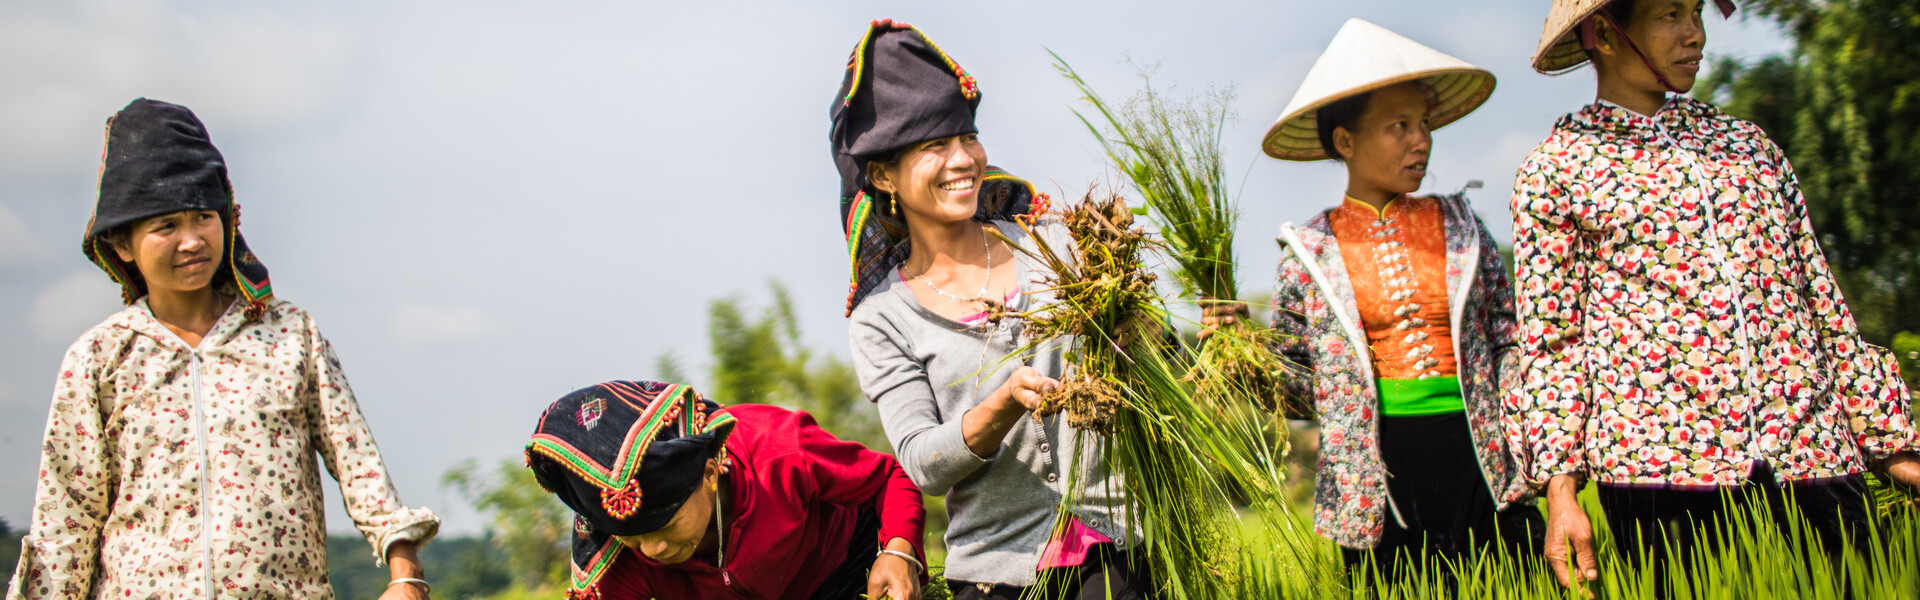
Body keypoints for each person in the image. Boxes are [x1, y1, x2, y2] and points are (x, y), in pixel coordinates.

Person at [1510, 0, 1920, 587]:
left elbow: (1823, 304)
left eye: (1697, 13)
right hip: (1661, 468)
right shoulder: (1558, 169)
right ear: (1604, 31)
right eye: (1670, 15)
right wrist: (1561, 492)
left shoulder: (1748, 147)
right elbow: (1553, 344)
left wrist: (1891, 443)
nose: (1694, 35)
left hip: (1809, 447)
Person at [6, 99, 440, 600]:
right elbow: (66, 521)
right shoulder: (101, 357)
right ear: (122, 244)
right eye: (166, 226)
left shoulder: (290, 335)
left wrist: (405, 574)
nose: (191, 240)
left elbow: (358, 463)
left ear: (227, 220)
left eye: (203, 217)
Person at [1205, 18, 1541, 583]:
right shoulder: (1309, 252)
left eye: (1425, 123)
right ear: (1346, 141)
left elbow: (1510, 340)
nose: (1421, 140)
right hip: (1378, 479)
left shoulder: (1463, 227)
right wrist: (1243, 352)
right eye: (1399, 126)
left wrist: (1538, 455)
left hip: (1482, 459)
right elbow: (1301, 389)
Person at [834, 20, 1147, 600]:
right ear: (882, 175)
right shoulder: (881, 318)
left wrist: (1146, 331)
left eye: (967, 137)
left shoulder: (1055, 244)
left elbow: (1145, 360)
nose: (962, 159)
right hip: (998, 575)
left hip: (1120, 551)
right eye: (933, 146)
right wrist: (1002, 405)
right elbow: (923, 462)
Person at [524, 380, 927, 600]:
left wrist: (898, 551)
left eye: (666, 526)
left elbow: (890, 477)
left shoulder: (778, 449)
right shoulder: (617, 558)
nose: (653, 551)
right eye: (635, 538)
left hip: (847, 573)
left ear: (711, 472)